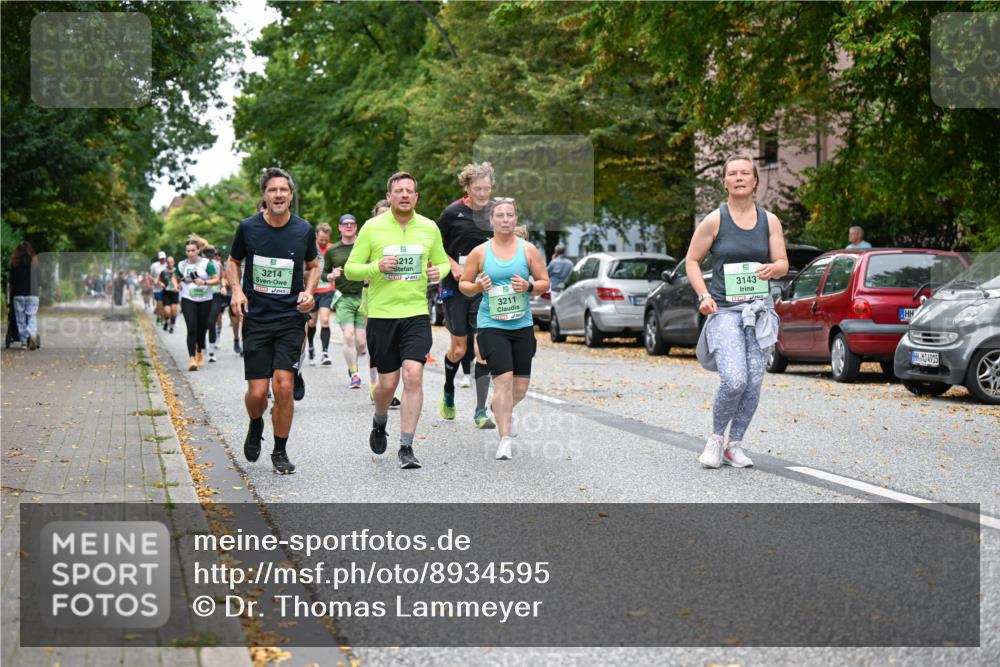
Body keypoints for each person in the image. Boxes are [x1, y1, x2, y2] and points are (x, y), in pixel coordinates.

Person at [688, 154, 787, 469]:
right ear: (725, 181)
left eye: (746, 172)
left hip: (758, 312)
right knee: (734, 379)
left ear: (755, 180)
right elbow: (692, 260)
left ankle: (735, 444)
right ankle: (716, 440)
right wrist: (703, 295)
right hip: (726, 311)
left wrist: (774, 268)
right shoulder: (715, 220)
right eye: (733, 173)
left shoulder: (769, 220)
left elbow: (783, 263)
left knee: (755, 379)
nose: (740, 177)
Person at [345, 172, 449, 469]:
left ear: (416, 197)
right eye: (399, 191)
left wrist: (437, 273)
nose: (405, 195)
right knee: (387, 385)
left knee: (413, 375)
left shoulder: (429, 228)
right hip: (382, 315)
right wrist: (376, 266)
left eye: (410, 191)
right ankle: (380, 420)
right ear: (389, 196)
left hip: (415, 313)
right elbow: (352, 269)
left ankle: (406, 446)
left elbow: (442, 262)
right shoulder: (372, 228)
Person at [227, 167, 317, 475]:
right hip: (257, 319)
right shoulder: (248, 228)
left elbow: (313, 265)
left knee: (284, 386)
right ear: (264, 195)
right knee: (256, 393)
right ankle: (255, 424)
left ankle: (280, 450)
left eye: (284, 190)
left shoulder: (303, 230)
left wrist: (307, 292)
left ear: (291, 195)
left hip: (290, 318)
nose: (278, 194)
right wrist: (237, 290)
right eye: (272, 190)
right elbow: (233, 261)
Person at [459, 198, 549, 459]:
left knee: (519, 388)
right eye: (500, 215)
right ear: (492, 220)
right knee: (504, 381)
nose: (506, 219)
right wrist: (477, 286)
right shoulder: (480, 252)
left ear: (516, 218)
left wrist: (529, 287)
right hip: (491, 324)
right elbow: (464, 284)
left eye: (510, 215)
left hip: (521, 324)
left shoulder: (528, 250)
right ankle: (505, 440)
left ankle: (500, 408)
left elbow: (545, 282)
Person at [436, 162, 497, 428]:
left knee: (482, 348)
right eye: (477, 189)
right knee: (459, 348)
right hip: (456, 285)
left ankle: (480, 410)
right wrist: (454, 265)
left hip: (485, 287)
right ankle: (448, 388)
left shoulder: (496, 212)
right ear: (467, 187)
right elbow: (435, 244)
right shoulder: (452, 213)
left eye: (487, 188)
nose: (483, 194)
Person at [325, 214, 367, 388]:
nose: (349, 226)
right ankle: (354, 373)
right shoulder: (333, 250)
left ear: (356, 227)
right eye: (345, 224)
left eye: (352, 224)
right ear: (340, 228)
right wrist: (331, 275)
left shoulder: (365, 246)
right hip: (344, 298)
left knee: (361, 342)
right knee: (348, 336)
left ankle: (356, 364)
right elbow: (323, 273)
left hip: (364, 296)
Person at [177, 236, 220, 370]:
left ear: (198, 250)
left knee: (202, 329)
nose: (190, 253)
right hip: (188, 299)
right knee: (191, 328)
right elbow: (175, 277)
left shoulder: (207, 264)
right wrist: (176, 284)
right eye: (188, 251)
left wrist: (205, 282)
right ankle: (192, 359)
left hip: (205, 300)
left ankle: (200, 352)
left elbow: (216, 280)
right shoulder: (182, 265)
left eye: (193, 250)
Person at [308, 223, 336, 366]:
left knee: (325, 320)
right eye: (321, 240)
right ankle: (311, 346)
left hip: (327, 290)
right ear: (316, 237)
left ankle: (325, 353)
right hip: (312, 290)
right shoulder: (310, 248)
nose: (324, 242)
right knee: (311, 322)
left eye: (326, 239)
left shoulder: (332, 249)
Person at [9, 241, 40, 350]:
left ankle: (23, 342)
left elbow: (11, 280)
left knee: (20, 318)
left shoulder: (15, 263)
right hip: (32, 294)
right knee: (31, 316)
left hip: (18, 294)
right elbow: (39, 279)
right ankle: (32, 334)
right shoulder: (35, 262)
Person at [158, 256, 179, 332]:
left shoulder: (177, 271)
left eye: (171, 262)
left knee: (173, 311)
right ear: (166, 263)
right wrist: (161, 284)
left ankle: (172, 326)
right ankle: (167, 322)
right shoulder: (163, 272)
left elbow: (181, 281)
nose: (170, 263)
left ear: (174, 262)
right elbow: (159, 280)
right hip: (166, 293)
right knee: (167, 312)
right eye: (168, 262)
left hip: (174, 293)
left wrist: (179, 286)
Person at [150, 251, 168, 325]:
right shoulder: (154, 265)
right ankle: (161, 318)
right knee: (159, 303)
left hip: (166, 288)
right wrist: (154, 280)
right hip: (157, 288)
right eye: (161, 259)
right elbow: (150, 275)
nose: (162, 260)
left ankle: (162, 317)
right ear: (159, 259)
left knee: (165, 304)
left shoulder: (168, 265)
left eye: (163, 258)